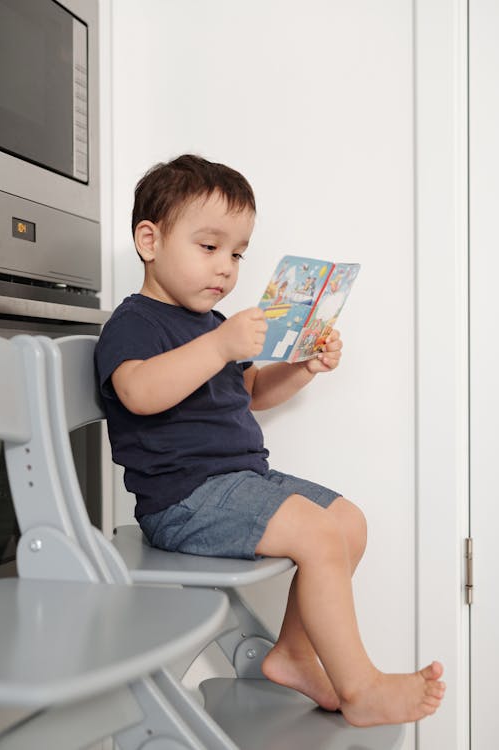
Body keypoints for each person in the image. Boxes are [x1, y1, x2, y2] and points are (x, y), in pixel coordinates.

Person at [95, 154, 445, 727]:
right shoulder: (136, 322)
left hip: (239, 482)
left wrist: (303, 368)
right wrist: (220, 347)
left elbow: (251, 390)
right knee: (315, 531)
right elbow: (138, 393)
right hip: (183, 498)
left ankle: (294, 655)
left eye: (236, 254)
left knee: (348, 521)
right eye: (209, 247)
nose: (225, 268)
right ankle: (360, 687)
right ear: (149, 240)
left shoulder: (213, 325)